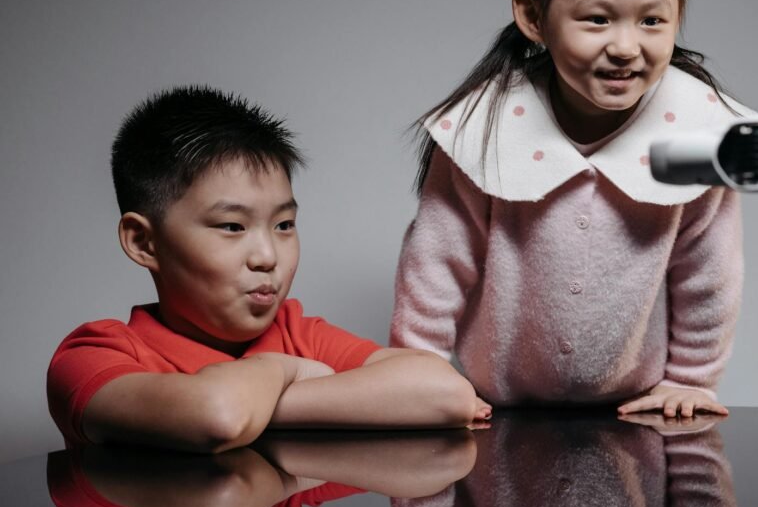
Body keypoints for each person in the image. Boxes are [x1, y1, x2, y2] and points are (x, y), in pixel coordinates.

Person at [390, 0, 750, 418]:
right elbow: (437, 262)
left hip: (639, 415)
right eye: (597, 19)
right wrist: (418, 370)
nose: (626, 46)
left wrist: (692, 382)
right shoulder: (483, 127)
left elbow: (709, 271)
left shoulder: (700, 132)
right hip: (492, 411)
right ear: (532, 15)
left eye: (652, 20)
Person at [47, 86, 484, 453]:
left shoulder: (297, 333)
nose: (268, 256)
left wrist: (268, 403)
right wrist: (282, 370)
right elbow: (217, 416)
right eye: (232, 226)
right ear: (144, 242)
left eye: (284, 225)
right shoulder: (92, 357)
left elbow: (446, 393)